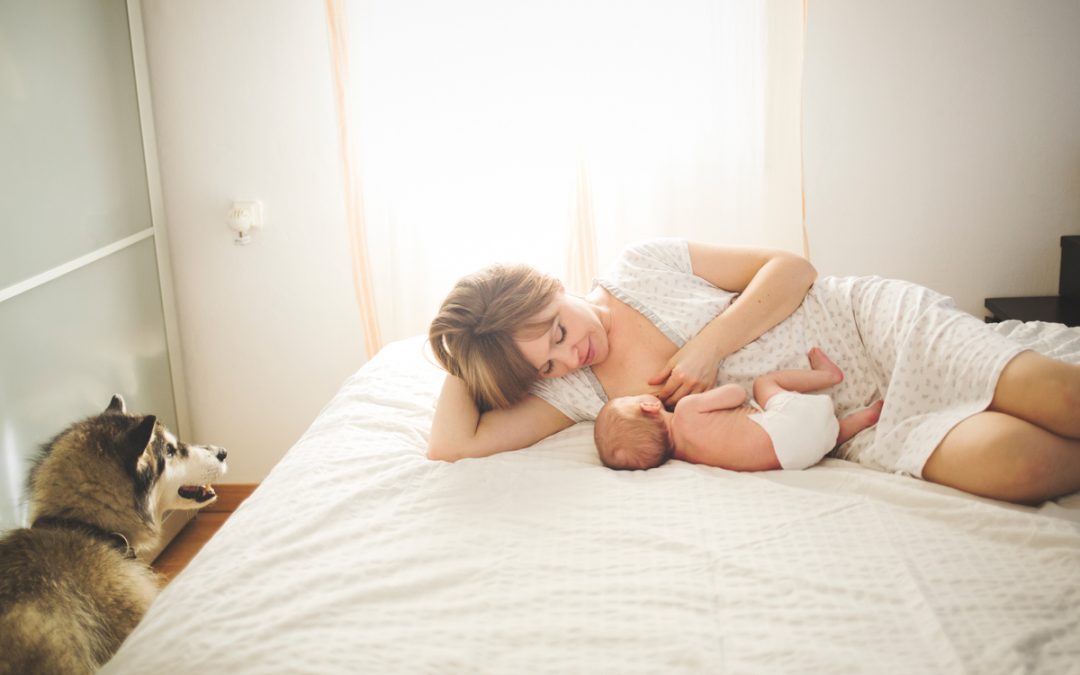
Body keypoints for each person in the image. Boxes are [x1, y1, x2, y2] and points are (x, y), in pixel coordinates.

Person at [428, 238, 1080, 505]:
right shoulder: (576, 388)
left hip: (864, 324)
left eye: (559, 330)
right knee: (1019, 467)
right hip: (852, 423)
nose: (572, 355)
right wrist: (470, 348)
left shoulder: (641, 266)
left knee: (1062, 397)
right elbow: (453, 445)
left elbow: (794, 269)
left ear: (551, 284)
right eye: (547, 361)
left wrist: (710, 345)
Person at [595, 348, 883, 472]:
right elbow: (737, 393)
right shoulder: (685, 410)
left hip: (799, 458)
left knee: (819, 438)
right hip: (791, 422)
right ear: (648, 406)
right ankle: (828, 377)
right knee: (763, 383)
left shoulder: (688, 458)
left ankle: (862, 419)